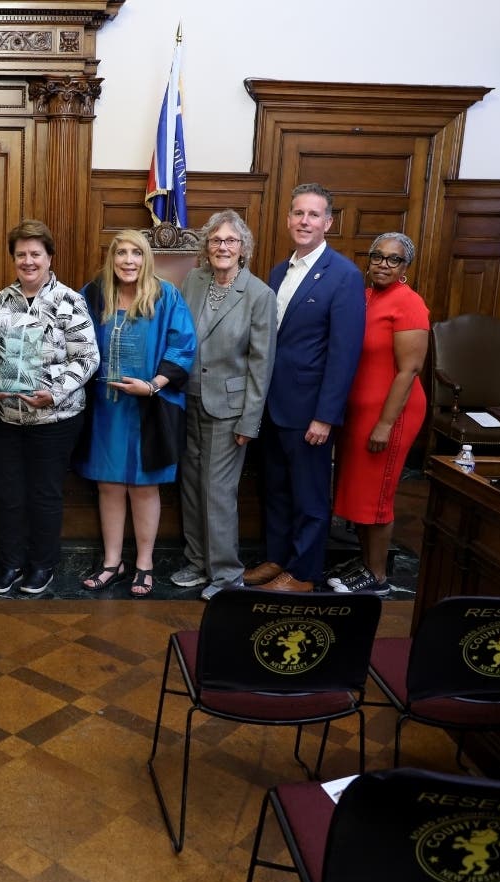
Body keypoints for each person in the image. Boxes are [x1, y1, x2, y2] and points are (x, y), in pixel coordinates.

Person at [243, 183, 365, 593]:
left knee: (310, 497)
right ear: (288, 218)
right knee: (275, 489)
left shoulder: (344, 275)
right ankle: (279, 559)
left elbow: (344, 354)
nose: (304, 221)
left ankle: (306, 573)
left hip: (310, 412)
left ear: (328, 222)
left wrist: (325, 416)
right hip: (273, 407)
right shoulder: (279, 271)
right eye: (298, 213)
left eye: (314, 215)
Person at [76, 229, 196, 597]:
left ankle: (145, 563)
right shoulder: (93, 294)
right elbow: (76, 340)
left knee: (144, 486)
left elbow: (183, 345)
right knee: (109, 484)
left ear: (147, 259)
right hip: (106, 409)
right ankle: (113, 562)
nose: (129, 260)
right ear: (111, 258)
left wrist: (154, 384)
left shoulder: (166, 296)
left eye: (136, 253)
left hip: (150, 405)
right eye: (121, 253)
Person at [0, 219, 99, 595]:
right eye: (21, 255)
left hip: (54, 417)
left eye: (36, 254)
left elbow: (87, 358)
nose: (28, 261)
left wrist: (55, 391)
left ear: (49, 257)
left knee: (44, 493)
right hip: (4, 418)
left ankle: (42, 565)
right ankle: (10, 563)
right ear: (13, 258)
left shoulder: (70, 301)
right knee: (7, 492)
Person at [173, 211, 276, 600]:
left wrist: (250, 420)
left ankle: (226, 574)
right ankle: (198, 562)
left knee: (217, 490)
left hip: (230, 409)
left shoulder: (259, 295)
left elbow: (261, 363)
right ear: (207, 246)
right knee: (192, 485)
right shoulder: (194, 281)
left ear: (243, 248)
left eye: (231, 241)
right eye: (216, 240)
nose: (222, 247)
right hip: (189, 400)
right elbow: (181, 336)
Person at [330, 233, 429, 595]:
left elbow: (410, 370)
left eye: (393, 259)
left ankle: (378, 576)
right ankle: (365, 560)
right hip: (359, 411)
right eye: (377, 257)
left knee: (378, 493)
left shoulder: (409, 303)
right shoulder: (367, 296)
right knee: (359, 490)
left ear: (405, 267)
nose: (383, 264)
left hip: (391, 413)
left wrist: (386, 424)